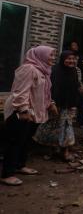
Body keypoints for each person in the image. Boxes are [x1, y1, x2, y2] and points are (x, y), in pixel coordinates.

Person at [1, 45, 57, 186]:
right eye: (50, 55)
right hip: (21, 112)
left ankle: (20, 165)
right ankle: (7, 174)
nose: (53, 58)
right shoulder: (28, 69)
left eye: (53, 55)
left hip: (34, 112)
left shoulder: (43, 70)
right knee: (14, 141)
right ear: (41, 55)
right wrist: (23, 111)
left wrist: (50, 103)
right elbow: (20, 92)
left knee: (25, 140)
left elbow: (43, 92)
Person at [33, 51, 83, 160]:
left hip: (70, 103)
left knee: (67, 125)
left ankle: (65, 152)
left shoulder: (77, 70)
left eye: (74, 58)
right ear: (62, 59)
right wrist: (51, 102)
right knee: (53, 126)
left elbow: (79, 85)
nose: (71, 61)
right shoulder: (53, 70)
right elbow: (47, 88)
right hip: (55, 104)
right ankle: (53, 150)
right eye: (68, 58)